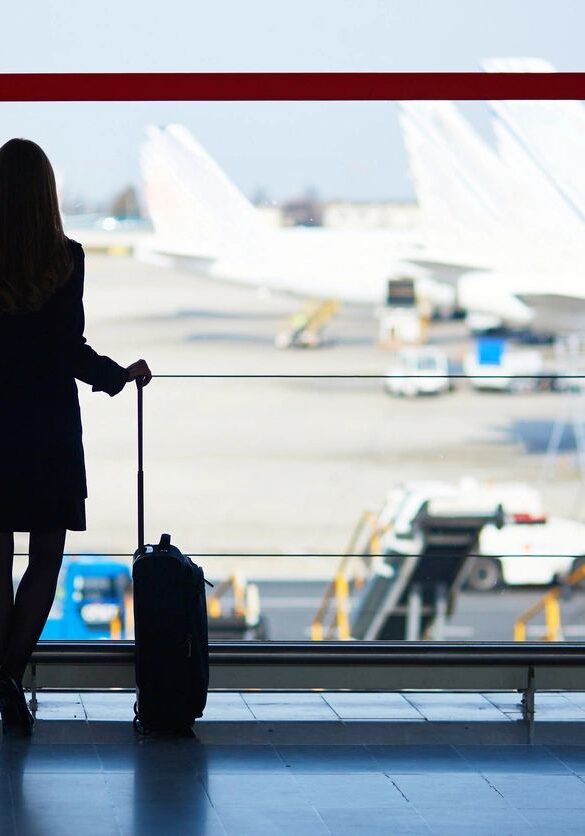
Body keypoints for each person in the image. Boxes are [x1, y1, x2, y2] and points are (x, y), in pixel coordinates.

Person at [0, 138, 152, 735]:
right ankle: (9, 676)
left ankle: (4, 679)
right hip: (47, 428)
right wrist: (119, 377)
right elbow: (69, 350)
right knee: (45, 560)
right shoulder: (66, 257)